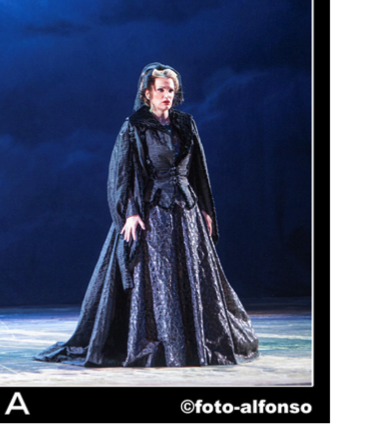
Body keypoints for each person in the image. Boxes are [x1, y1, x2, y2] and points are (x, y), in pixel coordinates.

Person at [35, 63, 258, 367]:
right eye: (161, 90)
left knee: (192, 276)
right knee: (156, 278)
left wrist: (205, 209)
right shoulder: (135, 126)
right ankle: (159, 341)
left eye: (171, 90)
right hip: (153, 212)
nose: (167, 95)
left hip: (186, 212)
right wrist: (130, 213)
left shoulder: (185, 123)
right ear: (147, 93)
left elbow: (198, 170)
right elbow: (122, 173)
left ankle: (193, 342)